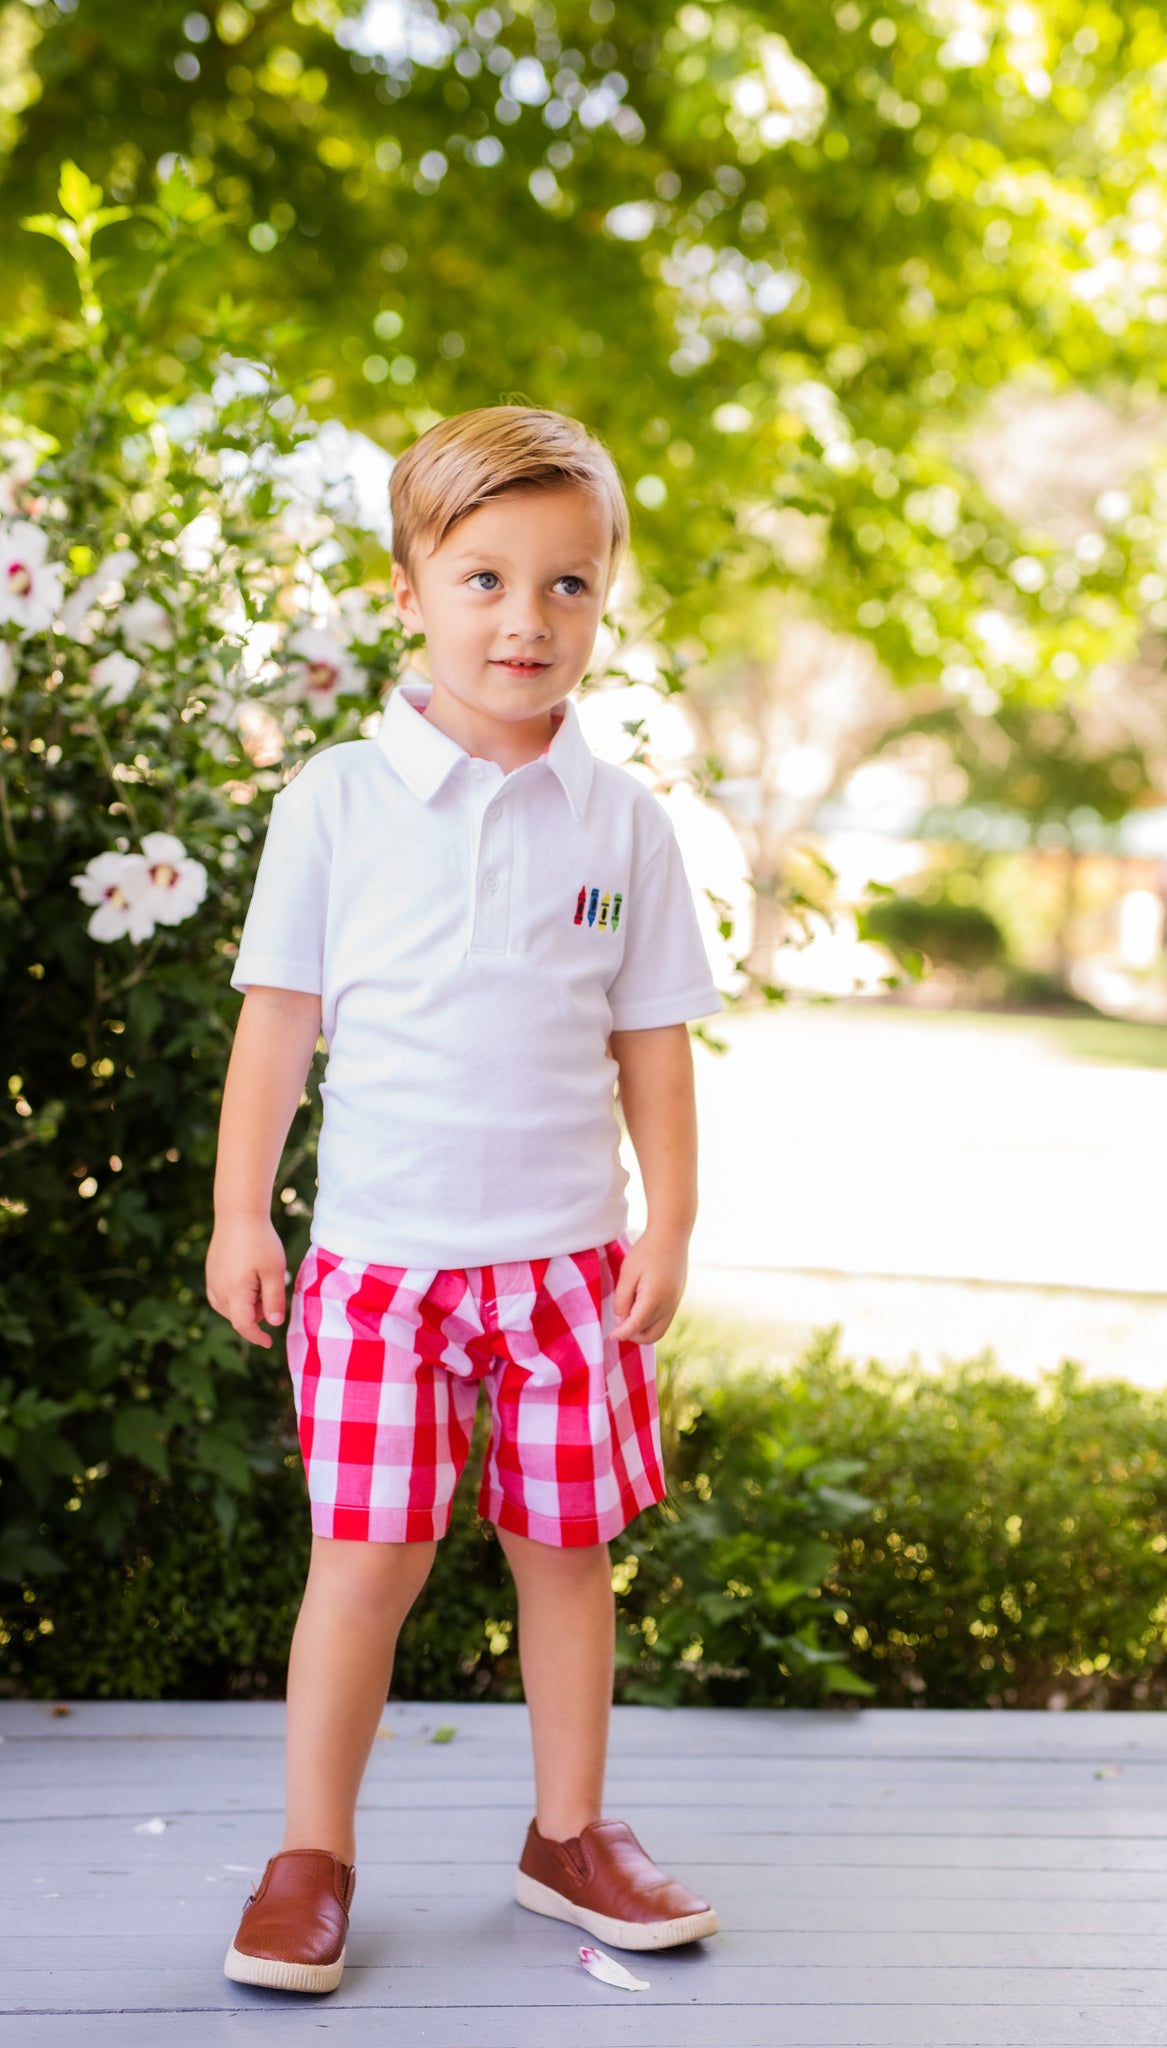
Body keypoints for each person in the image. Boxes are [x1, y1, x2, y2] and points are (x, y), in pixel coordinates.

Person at [206, 404, 725, 1994]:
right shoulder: (338, 803)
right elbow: (277, 1023)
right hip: (381, 1276)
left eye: (568, 585)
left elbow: (653, 1041)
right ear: (406, 590)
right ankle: (313, 1856)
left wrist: (673, 1223)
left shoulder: (623, 819)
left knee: (564, 1552)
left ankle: (567, 1835)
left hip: (567, 1275)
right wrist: (242, 1215)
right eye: (486, 578)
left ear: (605, 600)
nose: (527, 618)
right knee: (363, 1560)